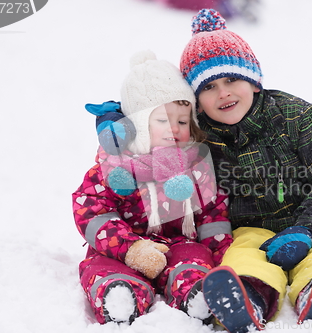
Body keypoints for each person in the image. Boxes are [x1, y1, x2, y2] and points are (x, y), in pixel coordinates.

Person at [179, 9, 312, 332]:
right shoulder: (201, 140)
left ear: (253, 79)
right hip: (252, 231)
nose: (223, 93)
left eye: (231, 79)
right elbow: (161, 150)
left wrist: (309, 228)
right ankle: (249, 296)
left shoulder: (293, 116)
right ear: (196, 100)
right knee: (243, 258)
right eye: (208, 87)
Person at [72, 50, 232, 325]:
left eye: (182, 121)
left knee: (195, 261)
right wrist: (130, 248)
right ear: (138, 124)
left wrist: (223, 257)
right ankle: (119, 294)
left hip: (181, 243)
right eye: (162, 120)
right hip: (123, 247)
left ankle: (196, 294)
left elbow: (211, 214)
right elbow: (91, 211)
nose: (174, 128)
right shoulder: (114, 166)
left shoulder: (196, 164)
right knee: (102, 265)